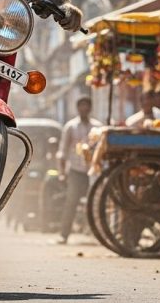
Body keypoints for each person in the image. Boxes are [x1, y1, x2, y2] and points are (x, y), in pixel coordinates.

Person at [55, 96, 101, 244]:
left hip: (93, 171)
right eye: (81, 106)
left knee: (96, 202)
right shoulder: (71, 127)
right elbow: (63, 151)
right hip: (75, 170)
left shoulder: (97, 127)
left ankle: (98, 235)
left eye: (87, 106)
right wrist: (62, 173)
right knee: (71, 202)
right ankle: (64, 235)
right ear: (78, 108)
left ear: (90, 108)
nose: (84, 108)